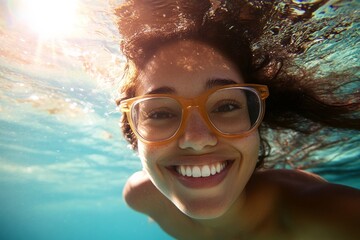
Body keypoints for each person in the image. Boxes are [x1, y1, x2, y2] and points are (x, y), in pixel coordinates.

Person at [115, 0, 360, 239]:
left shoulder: (334, 214)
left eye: (226, 106)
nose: (197, 140)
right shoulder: (142, 197)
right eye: (160, 113)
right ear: (134, 133)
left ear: (256, 122)